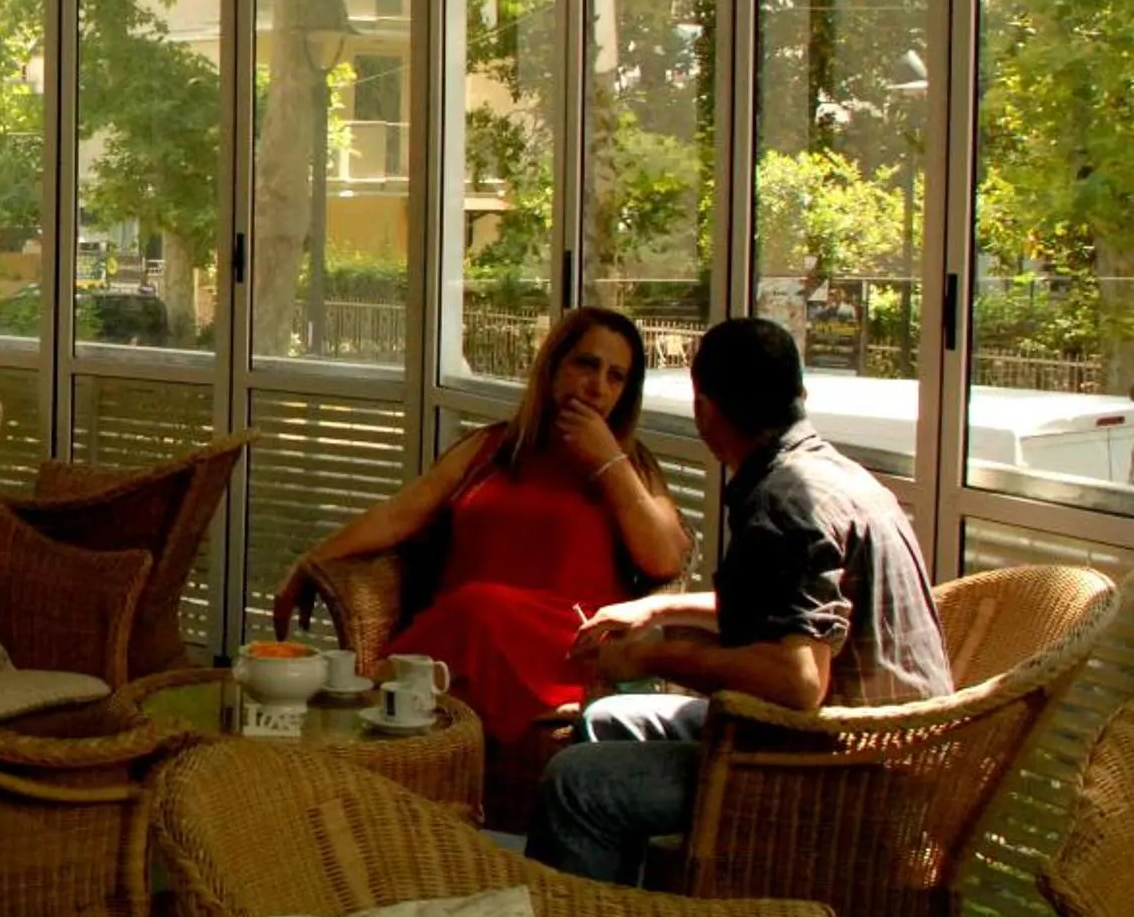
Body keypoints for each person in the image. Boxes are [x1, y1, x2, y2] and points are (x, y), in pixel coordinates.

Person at [526, 316, 951, 884]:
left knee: (576, 782)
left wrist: (655, 655)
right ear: (798, 395)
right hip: (887, 750)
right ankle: (633, 916)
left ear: (706, 409)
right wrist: (658, 609)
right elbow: (793, 615)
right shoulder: (830, 473)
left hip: (847, 775)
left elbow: (796, 681)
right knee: (608, 719)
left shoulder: (785, 502)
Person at [305, 307, 690, 746]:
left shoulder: (632, 466)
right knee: (472, 613)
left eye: (616, 377)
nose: (597, 386)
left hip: (563, 640)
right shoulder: (492, 447)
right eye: (586, 364)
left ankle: (381, 709)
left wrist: (607, 461)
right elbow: (398, 515)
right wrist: (313, 560)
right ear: (553, 368)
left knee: (477, 606)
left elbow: (664, 558)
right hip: (463, 635)